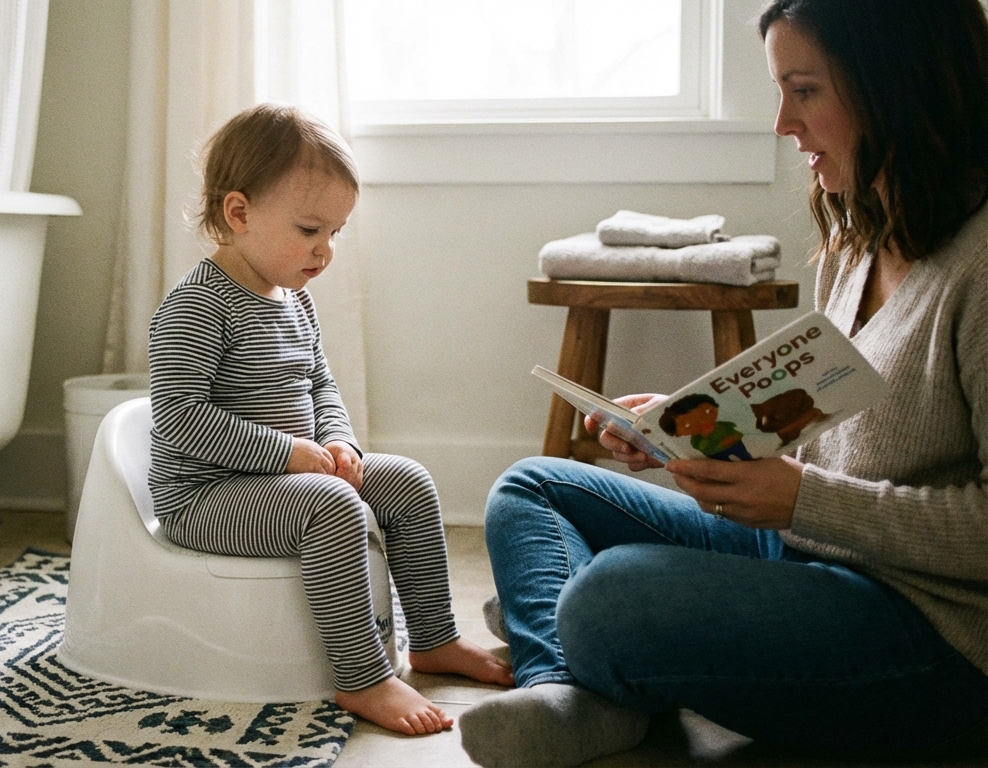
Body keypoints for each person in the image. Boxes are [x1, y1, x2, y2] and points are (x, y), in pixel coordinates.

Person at [458, 0, 988, 765]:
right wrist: (687, 427)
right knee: (533, 488)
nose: (782, 124)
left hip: (932, 635)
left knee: (609, 595)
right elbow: (835, 418)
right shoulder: (862, 227)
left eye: (804, 91)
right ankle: (568, 686)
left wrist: (805, 498)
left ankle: (574, 635)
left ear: (896, 86)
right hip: (813, 554)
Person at [147, 103, 512, 736]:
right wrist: (289, 455)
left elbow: (319, 385)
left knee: (407, 480)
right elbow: (179, 418)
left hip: (285, 480)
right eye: (311, 230)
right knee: (331, 507)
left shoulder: (293, 299)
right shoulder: (197, 305)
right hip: (203, 495)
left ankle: (432, 638)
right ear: (238, 213)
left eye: (337, 234)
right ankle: (362, 676)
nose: (326, 250)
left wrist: (337, 438)